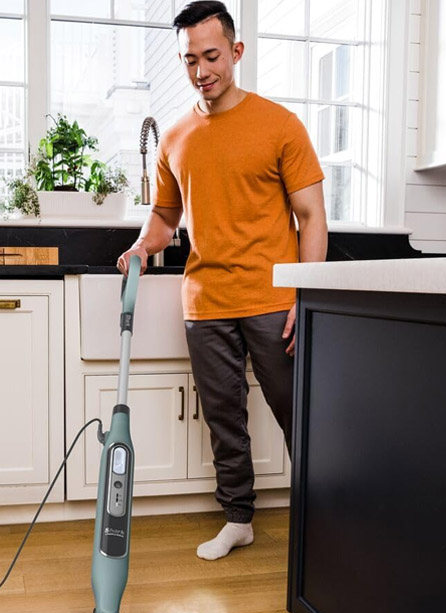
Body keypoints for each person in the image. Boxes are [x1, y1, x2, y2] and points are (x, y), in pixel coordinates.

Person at [117, 0, 328, 560]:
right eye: (190, 60)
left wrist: (305, 296)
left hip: (271, 298)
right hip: (206, 302)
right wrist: (141, 246)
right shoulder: (176, 137)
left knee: (300, 412)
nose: (200, 70)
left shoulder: (279, 125)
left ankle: (329, 517)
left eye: (211, 56)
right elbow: (165, 218)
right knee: (223, 420)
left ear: (235, 52)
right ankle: (239, 519)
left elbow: (312, 217)